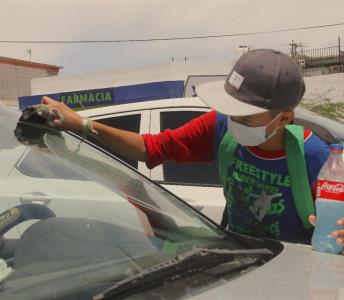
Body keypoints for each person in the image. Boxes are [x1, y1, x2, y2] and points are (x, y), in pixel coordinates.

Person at [41, 49, 344, 249]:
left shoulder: (318, 158)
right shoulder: (221, 128)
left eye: (247, 116)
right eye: (232, 110)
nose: (235, 121)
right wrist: (81, 124)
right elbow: (150, 149)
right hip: (244, 261)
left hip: (294, 274)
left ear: (285, 117)